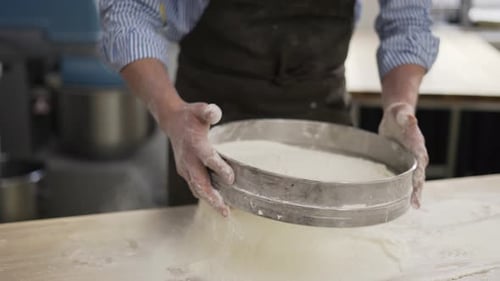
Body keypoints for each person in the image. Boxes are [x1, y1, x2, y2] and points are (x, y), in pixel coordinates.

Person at [99, 0, 439, 216]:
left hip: (319, 113)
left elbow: (408, 18)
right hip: (206, 123)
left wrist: (400, 104)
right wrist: (172, 115)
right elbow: (129, 11)